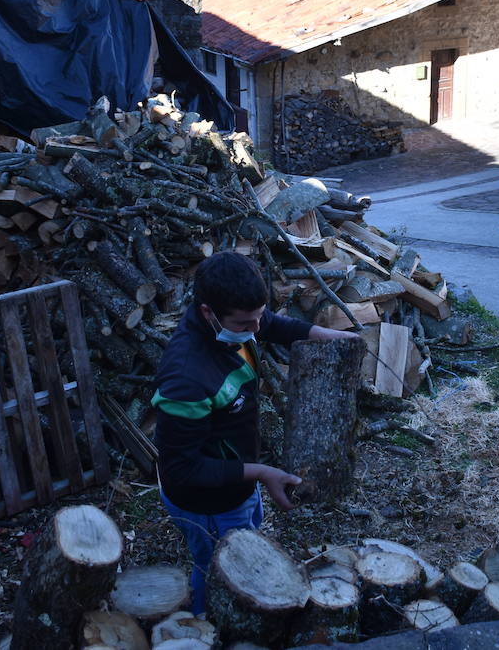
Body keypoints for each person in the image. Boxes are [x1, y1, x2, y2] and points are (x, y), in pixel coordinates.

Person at [153, 250, 360, 614]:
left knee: (248, 547)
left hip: (237, 481)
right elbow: (180, 469)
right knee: (218, 570)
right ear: (207, 312)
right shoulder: (186, 377)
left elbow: (272, 326)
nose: (256, 329)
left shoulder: (234, 324)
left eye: (259, 317)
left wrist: (323, 334)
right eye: (246, 323)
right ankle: (211, 621)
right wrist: (263, 473)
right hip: (206, 502)